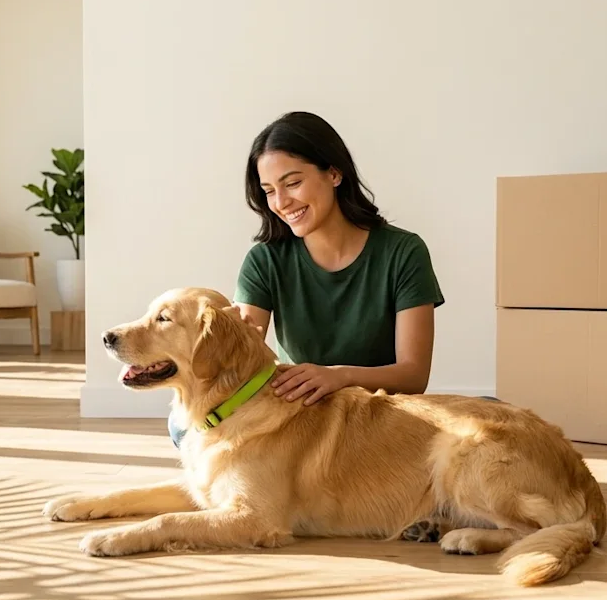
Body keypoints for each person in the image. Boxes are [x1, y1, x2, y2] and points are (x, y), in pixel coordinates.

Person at [168, 110, 444, 448]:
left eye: (292, 183)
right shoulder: (265, 260)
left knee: (486, 413)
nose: (281, 203)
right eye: (269, 190)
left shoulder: (404, 252)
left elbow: (414, 375)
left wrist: (339, 375)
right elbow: (237, 358)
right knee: (181, 427)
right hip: (302, 417)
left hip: (376, 416)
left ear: (334, 173)